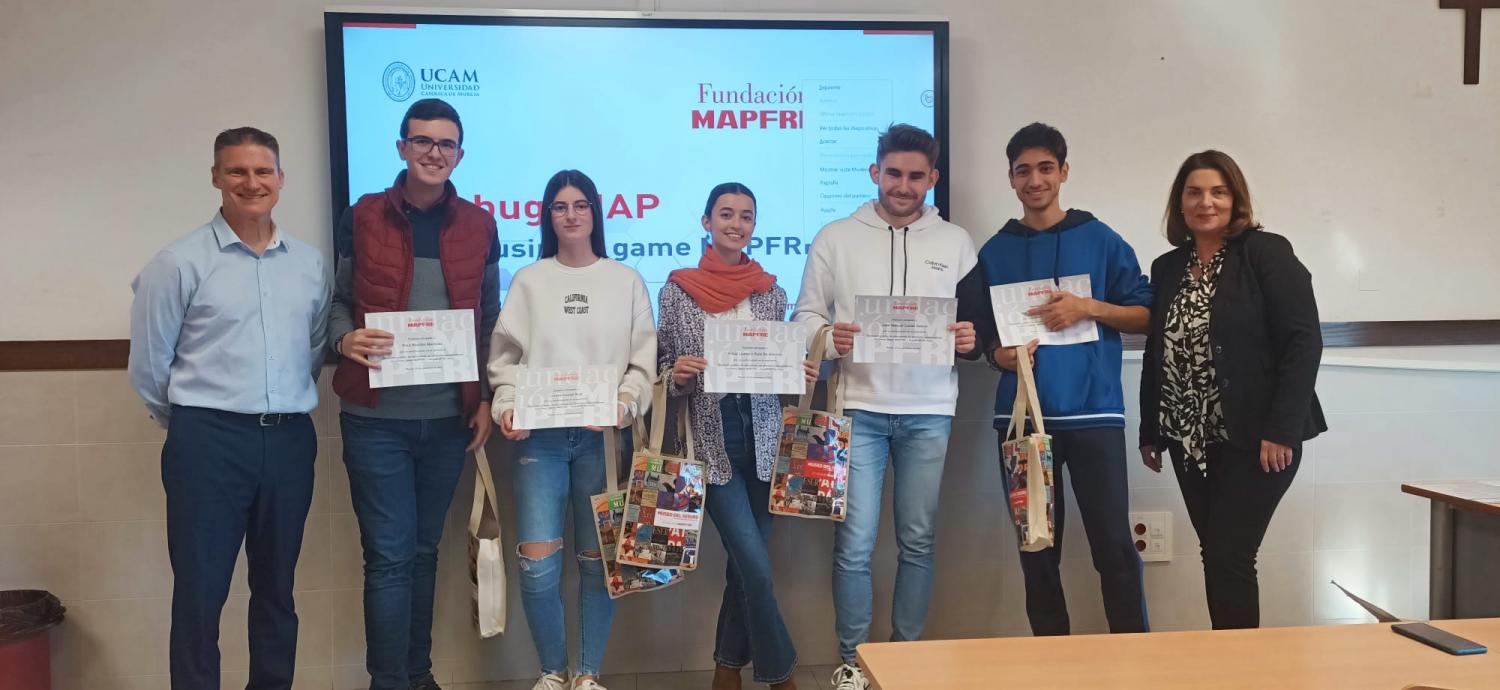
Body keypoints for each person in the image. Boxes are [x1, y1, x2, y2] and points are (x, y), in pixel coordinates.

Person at [128, 127, 331, 689]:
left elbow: (311, 352)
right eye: (237, 171)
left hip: (289, 440)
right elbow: (149, 368)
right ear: (216, 177)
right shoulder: (178, 262)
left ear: (281, 180)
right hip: (208, 442)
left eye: (263, 171)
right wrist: (199, 424)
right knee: (201, 591)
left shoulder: (310, 265)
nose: (251, 182)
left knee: (277, 589)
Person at [792, 124, 977, 690]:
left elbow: (971, 328)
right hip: (857, 409)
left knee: (918, 539)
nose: (903, 185)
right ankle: (853, 661)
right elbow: (804, 318)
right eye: (892, 173)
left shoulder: (956, 242)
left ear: (933, 178)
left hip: (929, 409)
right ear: (875, 172)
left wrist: (968, 339)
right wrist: (828, 338)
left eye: (915, 175)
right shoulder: (836, 237)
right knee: (855, 543)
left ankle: (906, 659)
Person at [328, 98, 499, 690]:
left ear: (459, 155)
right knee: (390, 558)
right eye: (422, 141)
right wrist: (343, 337)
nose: (434, 153)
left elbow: (488, 315)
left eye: (446, 144)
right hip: (376, 420)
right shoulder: (364, 214)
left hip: (448, 421)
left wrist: (481, 399)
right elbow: (339, 300)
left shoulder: (480, 223)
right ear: (401, 147)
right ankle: (388, 681)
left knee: (424, 553)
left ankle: (418, 674)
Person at [957, 122, 1152, 637]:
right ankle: (1051, 661)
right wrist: (999, 355)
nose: (1035, 180)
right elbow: (977, 337)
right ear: (1011, 179)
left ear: (1064, 172)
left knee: (1113, 544)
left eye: (1046, 168)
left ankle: (1136, 660)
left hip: (1095, 415)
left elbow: (1147, 314)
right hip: (1022, 421)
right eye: (1024, 170)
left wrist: (1088, 307)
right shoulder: (994, 251)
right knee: (1037, 549)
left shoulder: (1101, 238)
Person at [1139, 150, 1326, 629]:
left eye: (1218, 191)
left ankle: (1245, 670)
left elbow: (1303, 342)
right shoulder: (1167, 268)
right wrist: (1150, 430)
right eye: (1194, 192)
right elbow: (1159, 351)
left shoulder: (1265, 253)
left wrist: (1282, 429)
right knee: (1217, 555)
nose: (1206, 202)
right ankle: (1230, 661)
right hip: (1189, 441)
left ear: (1235, 198)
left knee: (1229, 554)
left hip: (1259, 439)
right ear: (1179, 202)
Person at [487, 169, 657, 690]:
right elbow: (506, 360)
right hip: (539, 439)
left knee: (596, 564)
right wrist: (506, 408)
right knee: (538, 568)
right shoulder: (530, 280)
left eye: (580, 204)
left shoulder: (624, 279)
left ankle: (587, 675)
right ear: (548, 215)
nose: (571, 214)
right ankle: (552, 674)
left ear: (595, 212)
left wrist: (626, 407)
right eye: (560, 206)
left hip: (603, 443)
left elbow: (641, 364)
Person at [657, 183, 819, 690]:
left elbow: (776, 368)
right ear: (706, 221)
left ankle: (726, 670)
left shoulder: (771, 291)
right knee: (756, 566)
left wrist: (799, 374)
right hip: (711, 441)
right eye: (725, 214)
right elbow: (665, 366)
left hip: (765, 439)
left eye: (746, 216)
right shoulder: (677, 289)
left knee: (743, 571)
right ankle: (780, 675)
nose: (736, 223)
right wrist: (677, 373)